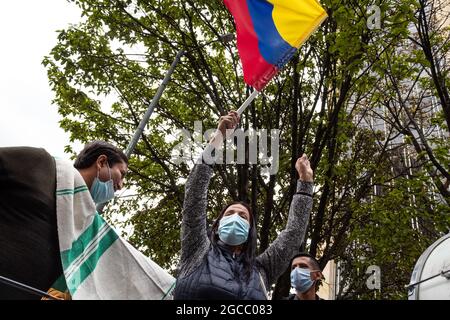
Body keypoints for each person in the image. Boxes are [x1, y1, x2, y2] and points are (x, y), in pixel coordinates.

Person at [173, 111, 314, 300]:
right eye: (230, 213)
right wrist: (217, 139)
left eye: (243, 217)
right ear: (217, 225)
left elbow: (293, 235)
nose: (235, 217)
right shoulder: (198, 250)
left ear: (249, 231)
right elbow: (194, 196)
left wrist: (305, 183)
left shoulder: (262, 270)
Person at [0, 141, 128, 299]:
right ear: (101, 162)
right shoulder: (41, 164)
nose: (121, 185)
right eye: (122, 174)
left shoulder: (87, 229)